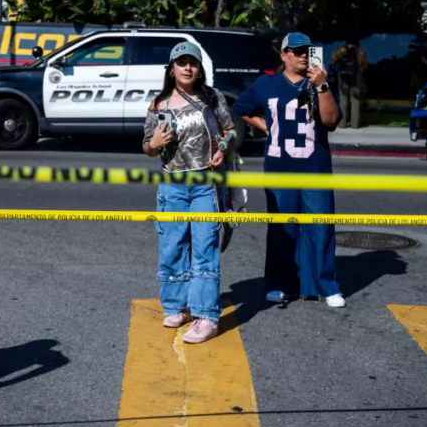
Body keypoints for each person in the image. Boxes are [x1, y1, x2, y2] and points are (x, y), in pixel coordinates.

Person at [232, 33, 347, 308]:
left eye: (306, 50)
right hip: (279, 168)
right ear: (283, 55)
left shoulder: (318, 83)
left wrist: (322, 86)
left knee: (320, 227)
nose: (303, 55)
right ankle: (279, 284)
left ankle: (325, 285)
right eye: (296, 51)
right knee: (282, 229)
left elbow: (331, 120)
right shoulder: (267, 83)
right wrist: (264, 126)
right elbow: (241, 108)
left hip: (314, 168)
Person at [143, 41, 235, 344]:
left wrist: (222, 148)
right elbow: (146, 146)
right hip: (171, 185)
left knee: (205, 248)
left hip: (205, 183)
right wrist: (154, 144)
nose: (187, 67)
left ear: (199, 68)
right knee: (172, 246)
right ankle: (176, 306)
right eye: (181, 63)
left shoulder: (212, 97)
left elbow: (230, 131)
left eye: (192, 62)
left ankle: (206, 315)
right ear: (172, 68)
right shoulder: (159, 103)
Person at [330, 37, 367, 129]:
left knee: (343, 99)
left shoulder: (341, 51)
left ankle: (342, 123)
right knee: (355, 100)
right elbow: (364, 65)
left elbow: (332, 61)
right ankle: (355, 124)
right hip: (357, 78)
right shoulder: (361, 52)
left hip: (343, 78)